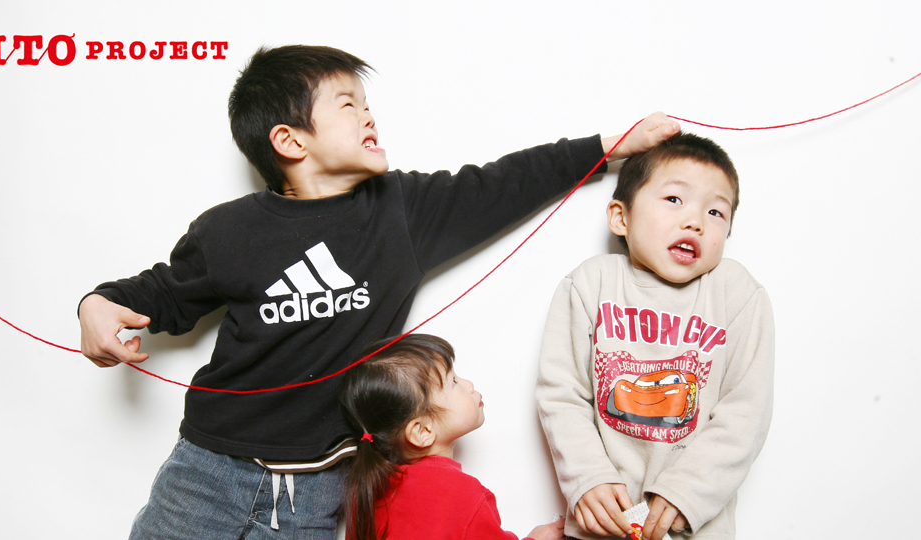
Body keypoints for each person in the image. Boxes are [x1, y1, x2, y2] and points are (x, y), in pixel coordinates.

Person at [77, 44, 679, 539]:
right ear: (291, 141)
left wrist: (608, 148)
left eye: (367, 105)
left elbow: (500, 184)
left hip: (319, 491)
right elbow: (161, 293)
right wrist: (96, 305)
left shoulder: (400, 210)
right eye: (348, 105)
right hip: (207, 470)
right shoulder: (228, 230)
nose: (369, 116)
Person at [536, 133, 774, 540]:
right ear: (621, 218)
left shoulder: (737, 293)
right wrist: (587, 477)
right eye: (674, 199)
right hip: (603, 522)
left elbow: (746, 414)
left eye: (716, 212)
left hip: (693, 527)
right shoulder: (590, 284)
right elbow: (561, 393)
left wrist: (687, 493)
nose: (695, 221)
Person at [340, 333, 565, 540]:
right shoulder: (461, 494)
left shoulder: (366, 495)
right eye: (454, 382)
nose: (469, 385)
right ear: (422, 431)